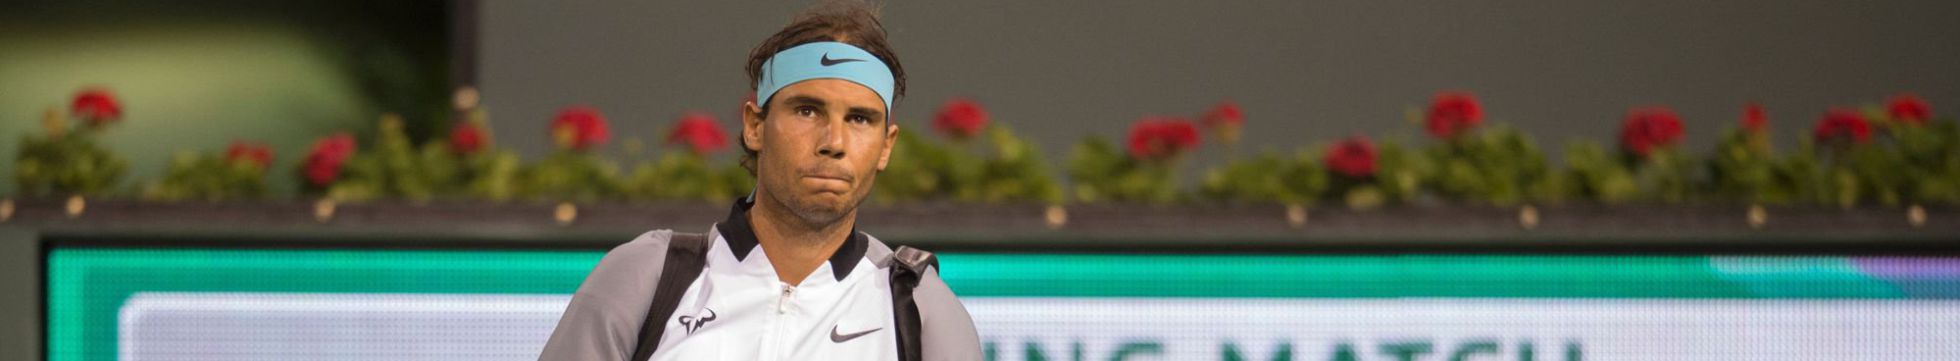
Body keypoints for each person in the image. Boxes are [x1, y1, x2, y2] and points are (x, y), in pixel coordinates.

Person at [537, 1, 981, 360]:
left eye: (860, 119)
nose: (834, 141)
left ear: (886, 145)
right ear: (754, 125)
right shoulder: (646, 276)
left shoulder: (920, 308)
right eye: (807, 110)